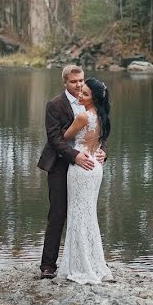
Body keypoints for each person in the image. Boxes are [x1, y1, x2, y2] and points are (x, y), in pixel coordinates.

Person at [37, 66, 106, 280]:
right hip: (60, 164)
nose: (78, 85)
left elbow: (100, 133)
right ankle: (48, 265)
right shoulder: (55, 105)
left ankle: (84, 260)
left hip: (86, 167)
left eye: (81, 80)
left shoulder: (92, 102)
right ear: (65, 82)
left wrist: (103, 152)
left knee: (84, 213)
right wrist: (74, 156)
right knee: (58, 213)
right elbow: (54, 138)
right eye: (74, 81)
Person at [56, 77, 113, 284]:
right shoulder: (102, 116)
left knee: (78, 215)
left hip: (81, 166)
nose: (80, 95)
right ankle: (94, 263)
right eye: (81, 91)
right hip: (95, 167)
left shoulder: (82, 116)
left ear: (94, 98)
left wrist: (67, 126)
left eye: (85, 94)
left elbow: (64, 137)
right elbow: (100, 139)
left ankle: (81, 266)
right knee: (88, 215)